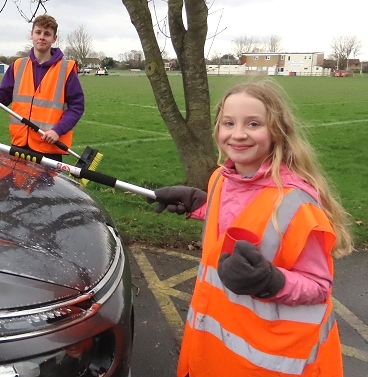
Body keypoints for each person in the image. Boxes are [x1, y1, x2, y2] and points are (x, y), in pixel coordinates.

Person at [148, 81, 353, 376]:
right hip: (212, 350)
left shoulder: (296, 203)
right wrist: (201, 206)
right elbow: (244, 221)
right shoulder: (221, 178)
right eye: (228, 123)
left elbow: (319, 287)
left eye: (253, 123)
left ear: (276, 131)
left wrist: (271, 282)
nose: (238, 134)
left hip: (273, 361)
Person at [0, 14, 84, 162]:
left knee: (45, 186)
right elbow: (4, 97)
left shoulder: (66, 69)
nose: (42, 37)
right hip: (20, 144)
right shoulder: (18, 66)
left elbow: (77, 106)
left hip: (48, 147)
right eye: (38, 32)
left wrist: (57, 131)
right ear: (31, 34)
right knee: (16, 185)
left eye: (47, 34)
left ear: (54, 38)